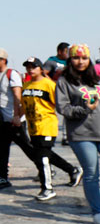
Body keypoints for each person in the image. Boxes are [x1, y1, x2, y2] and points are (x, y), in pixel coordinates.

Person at [22, 57, 82, 201]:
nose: (30, 69)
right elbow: (23, 105)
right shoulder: (26, 85)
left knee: (42, 158)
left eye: (34, 66)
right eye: (28, 67)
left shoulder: (49, 85)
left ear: (41, 68)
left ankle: (47, 188)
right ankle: (72, 170)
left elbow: (60, 105)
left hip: (47, 125)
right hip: (33, 127)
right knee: (44, 154)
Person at [57, 44, 100, 223]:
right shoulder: (64, 81)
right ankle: (97, 211)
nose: (80, 61)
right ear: (70, 59)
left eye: (84, 58)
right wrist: (84, 109)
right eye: (76, 57)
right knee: (92, 173)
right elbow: (63, 108)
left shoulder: (96, 78)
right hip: (82, 134)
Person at [0, 48, 39, 190]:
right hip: (0, 121)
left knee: (28, 148)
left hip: (13, 121)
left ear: (3, 60)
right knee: (1, 150)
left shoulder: (12, 74)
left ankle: (49, 167)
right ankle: (2, 177)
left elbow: (17, 96)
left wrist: (17, 115)